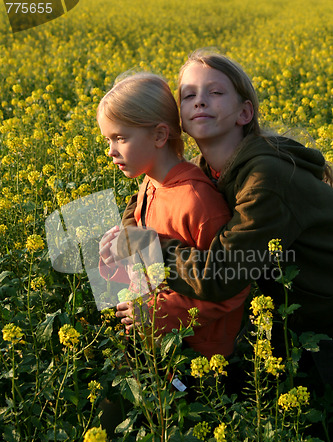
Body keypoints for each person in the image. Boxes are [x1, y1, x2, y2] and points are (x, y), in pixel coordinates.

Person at [119, 50, 333, 384]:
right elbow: (140, 203)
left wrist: (147, 248)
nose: (200, 101)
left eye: (215, 93)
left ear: (244, 113)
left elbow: (223, 273)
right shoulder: (211, 170)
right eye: (189, 95)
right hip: (282, 312)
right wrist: (130, 234)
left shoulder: (266, 179)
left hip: (320, 319)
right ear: (179, 120)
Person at [97, 72, 250, 359]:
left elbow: (231, 285)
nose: (111, 151)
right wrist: (113, 262)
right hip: (155, 341)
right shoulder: (147, 187)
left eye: (120, 138)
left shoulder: (196, 200)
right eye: (108, 140)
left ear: (159, 135)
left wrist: (157, 311)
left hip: (200, 355)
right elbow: (148, 269)